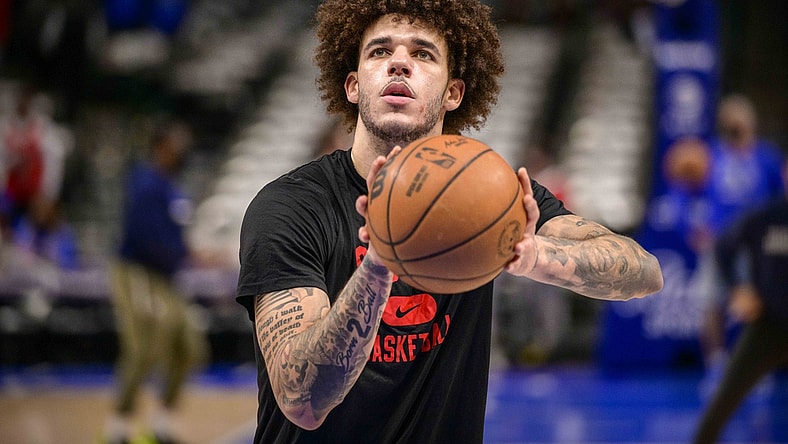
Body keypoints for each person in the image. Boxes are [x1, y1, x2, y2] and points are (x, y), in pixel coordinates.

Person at [235, 1, 663, 443]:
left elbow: (645, 273)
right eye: (379, 52)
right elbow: (302, 401)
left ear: (454, 93)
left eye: (423, 54)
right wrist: (378, 265)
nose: (399, 62)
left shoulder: (492, 199)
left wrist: (535, 254)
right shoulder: (289, 207)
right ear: (353, 86)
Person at [104, 118, 209, 444]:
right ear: (161, 146)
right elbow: (145, 236)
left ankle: (161, 423)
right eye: (176, 144)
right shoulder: (145, 182)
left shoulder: (172, 187)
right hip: (137, 272)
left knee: (190, 348)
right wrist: (178, 252)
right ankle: (118, 427)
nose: (182, 151)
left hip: (166, 279)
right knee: (143, 348)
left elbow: (174, 238)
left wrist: (194, 253)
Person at [692, 95, 785, 391]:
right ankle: (716, 364)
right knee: (711, 301)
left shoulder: (766, 157)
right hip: (720, 239)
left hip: (755, 244)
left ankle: (755, 369)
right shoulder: (711, 155)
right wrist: (693, 225)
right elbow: (687, 193)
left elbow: (778, 200)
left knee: (757, 302)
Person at [692, 159, 788, 444]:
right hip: (768, 325)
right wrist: (738, 288)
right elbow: (723, 248)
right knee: (724, 401)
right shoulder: (766, 216)